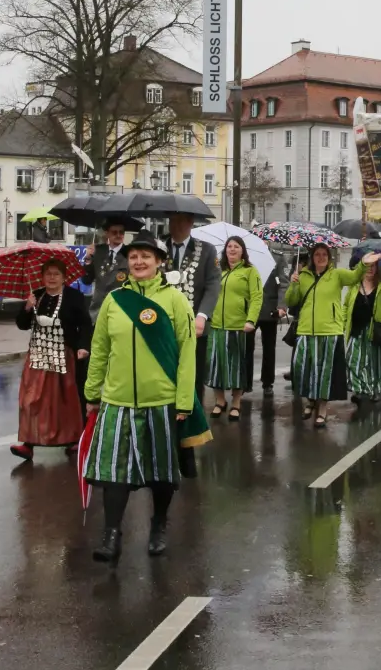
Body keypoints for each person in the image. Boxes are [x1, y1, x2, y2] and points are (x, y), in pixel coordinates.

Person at [84, 231, 209, 562]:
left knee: (162, 472)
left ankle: (158, 525)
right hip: (118, 399)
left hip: (162, 400)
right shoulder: (114, 301)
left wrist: (184, 400)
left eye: (146, 256)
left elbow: (186, 353)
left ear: (160, 261)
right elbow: (100, 350)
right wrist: (92, 392)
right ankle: (112, 534)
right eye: (134, 256)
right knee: (114, 471)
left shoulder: (175, 300)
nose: (138, 261)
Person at [286, 243, 379, 427]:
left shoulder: (336, 275)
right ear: (312, 257)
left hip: (329, 331)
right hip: (305, 331)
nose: (321, 257)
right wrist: (293, 284)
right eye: (317, 254)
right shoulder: (303, 276)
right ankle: (310, 400)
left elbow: (354, 277)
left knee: (324, 374)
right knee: (303, 370)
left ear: (329, 258)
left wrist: (364, 264)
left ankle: (321, 409)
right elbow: (291, 300)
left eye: (324, 254)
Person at [11, 260, 91, 461]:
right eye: (48, 274)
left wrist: (83, 346)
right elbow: (22, 325)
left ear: (64, 277)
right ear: (42, 276)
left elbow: (85, 324)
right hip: (38, 355)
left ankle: (74, 439)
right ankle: (28, 443)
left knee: (66, 399)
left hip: (65, 355)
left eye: (56, 274)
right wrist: (27, 308)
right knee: (31, 400)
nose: (52, 278)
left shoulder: (74, 297)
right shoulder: (36, 295)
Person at [164, 213, 221, 403]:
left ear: (190, 223)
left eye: (180, 221)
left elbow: (213, 285)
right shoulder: (159, 248)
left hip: (194, 324)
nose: (175, 225)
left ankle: (193, 416)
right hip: (164, 323)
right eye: (172, 220)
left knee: (194, 374)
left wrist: (202, 316)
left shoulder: (206, 250)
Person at [206, 236, 263, 421]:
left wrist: (251, 320)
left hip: (238, 327)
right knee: (216, 365)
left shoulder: (249, 271)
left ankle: (236, 402)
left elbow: (256, 297)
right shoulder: (217, 270)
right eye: (229, 246)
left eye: (236, 247)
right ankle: (220, 400)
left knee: (237, 367)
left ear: (242, 250)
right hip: (216, 326)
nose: (232, 250)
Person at [344, 257, 381, 402]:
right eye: (367, 266)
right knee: (353, 360)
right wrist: (343, 323)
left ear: (377, 268)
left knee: (376, 362)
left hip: (376, 329)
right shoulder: (354, 284)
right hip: (357, 328)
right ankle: (360, 389)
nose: (370, 269)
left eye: (373, 266)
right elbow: (346, 305)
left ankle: (376, 390)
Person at [245, 251, 290, 394]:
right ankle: (245, 382)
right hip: (250, 309)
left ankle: (268, 382)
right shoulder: (246, 255)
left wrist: (282, 306)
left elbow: (283, 283)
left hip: (270, 309)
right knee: (246, 348)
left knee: (269, 348)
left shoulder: (277, 258)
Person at [84, 218, 131, 319]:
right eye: (114, 232)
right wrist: (88, 259)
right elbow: (86, 280)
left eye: (121, 232)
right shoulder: (98, 251)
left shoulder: (129, 253)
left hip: (120, 310)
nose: (118, 235)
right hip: (97, 311)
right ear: (107, 233)